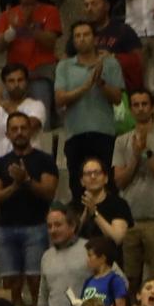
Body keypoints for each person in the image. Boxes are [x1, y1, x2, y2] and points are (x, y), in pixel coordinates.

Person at [0, 111, 60, 306]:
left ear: (30, 132)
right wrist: (15, 186)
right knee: (10, 284)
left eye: (23, 128)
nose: (19, 132)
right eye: (14, 129)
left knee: (37, 282)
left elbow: (49, 192)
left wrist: (26, 180)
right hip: (6, 229)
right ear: (7, 134)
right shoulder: (0, 164)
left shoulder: (45, 160)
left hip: (36, 227)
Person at [113, 89, 154, 294]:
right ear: (131, 109)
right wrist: (135, 156)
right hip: (129, 220)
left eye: (144, 104)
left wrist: (147, 153)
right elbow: (120, 181)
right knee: (129, 280)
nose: (140, 108)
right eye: (136, 105)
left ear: (152, 107)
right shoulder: (121, 141)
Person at [56, 21, 124, 202]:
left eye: (86, 34)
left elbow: (117, 98)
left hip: (104, 133)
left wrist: (100, 82)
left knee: (108, 184)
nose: (81, 39)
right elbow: (60, 99)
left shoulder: (110, 63)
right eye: (77, 35)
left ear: (95, 38)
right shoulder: (64, 66)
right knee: (78, 186)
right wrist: (86, 86)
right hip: (75, 134)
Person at [0, 0, 62, 120]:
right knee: (7, 120)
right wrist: (11, 31)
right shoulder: (8, 15)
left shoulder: (50, 11)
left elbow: (51, 42)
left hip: (40, 76)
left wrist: (29, 27)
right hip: (14, 79)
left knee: (41, 122)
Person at [38, 206, 91, 306]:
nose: (52, 230)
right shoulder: (46, 257)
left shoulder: (90, 249)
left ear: (72, 226)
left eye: (58, 225)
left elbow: (116, 280)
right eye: (49, 226)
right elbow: (43, 296)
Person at [71, 0, 143, 91]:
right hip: (85, 87)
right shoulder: (80, 33)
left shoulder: (123, 30)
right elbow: (67, 61)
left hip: (117, 87)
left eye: (94, 4)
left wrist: (113, 57)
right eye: (86, 5)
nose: (89, 9)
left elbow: (139, 61)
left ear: (107, 6)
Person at [0, 64, 47, 159]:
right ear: (4, 84)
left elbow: (30, 126)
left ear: (27, 82)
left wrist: (0, 99)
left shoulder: (37, 105)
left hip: (31, 161)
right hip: (2, 164)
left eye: (20, 80)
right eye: (11, 81)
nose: (16, 85)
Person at [73, 157, 133, 244]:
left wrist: (94, 213)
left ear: (106, 179)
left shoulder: (118, 204)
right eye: (88, 174)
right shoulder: (75, 205)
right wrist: (84, 215)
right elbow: (68, 238)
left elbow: (117, 239)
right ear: (82, 181)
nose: (93, 177)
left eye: (97, 173)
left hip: (109, 255)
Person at [80, 235, 128, 306]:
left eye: (90, 256)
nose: (87, 260)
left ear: (102, 258)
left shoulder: (115, 281)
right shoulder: (88, 281)